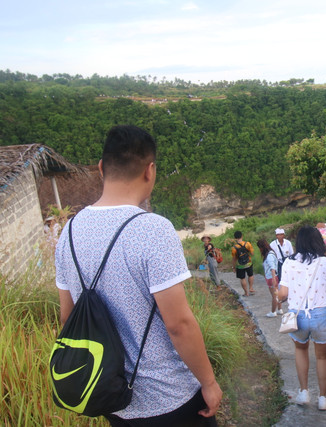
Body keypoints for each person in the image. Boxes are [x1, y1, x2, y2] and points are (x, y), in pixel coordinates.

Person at [54, 125, 222, 426]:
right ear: (150, 170)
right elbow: (179, 325)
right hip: (170, 398)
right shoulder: (153, 229)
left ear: (102, 168)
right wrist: (209, 383)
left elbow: (67, 317)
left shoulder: (68, 232)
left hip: (112, 397)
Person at [277, 225, 326, 411]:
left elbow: (283, 294)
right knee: (322, 357)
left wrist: (277, 294)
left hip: (297, 315)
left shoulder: (288, 262)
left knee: (300, 350)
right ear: (317, 241)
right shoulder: (325, 262)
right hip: (321, 314)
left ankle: (303, 392)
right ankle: (323, 397)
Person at [257, 238, 283, 317]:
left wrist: (274, 279)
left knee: (274, 295)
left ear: (261, 247)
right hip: (273, 277)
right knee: (277, 294)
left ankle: (273, 312)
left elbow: (272, 268)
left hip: (271, 277)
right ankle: (279, 309)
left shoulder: (269, 255)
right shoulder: (271, 253)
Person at [231, 230, 254, 297]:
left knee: (242, 278)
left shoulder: (234, 248)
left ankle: (246, 293)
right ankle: (251, 288)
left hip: (240, 265)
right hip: (248, 263)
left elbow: (234, 259)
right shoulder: (248, 244)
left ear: (235, 238)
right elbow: (252, 253)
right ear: (242, 236)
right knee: (250, 275)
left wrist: (233, 267)